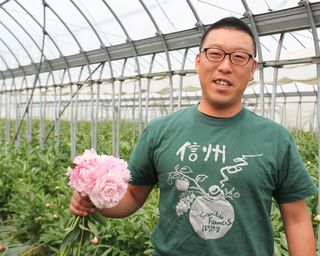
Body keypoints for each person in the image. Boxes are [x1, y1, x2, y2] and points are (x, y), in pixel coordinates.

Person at [69, 17, 318, 256]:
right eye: (215, 53)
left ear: (252, 69)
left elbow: (296, 219)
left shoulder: (275, 138)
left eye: (239, 57)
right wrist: (95, 198)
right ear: (198, 61)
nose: (225, 66)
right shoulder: (160, 131)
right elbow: (133, 196)